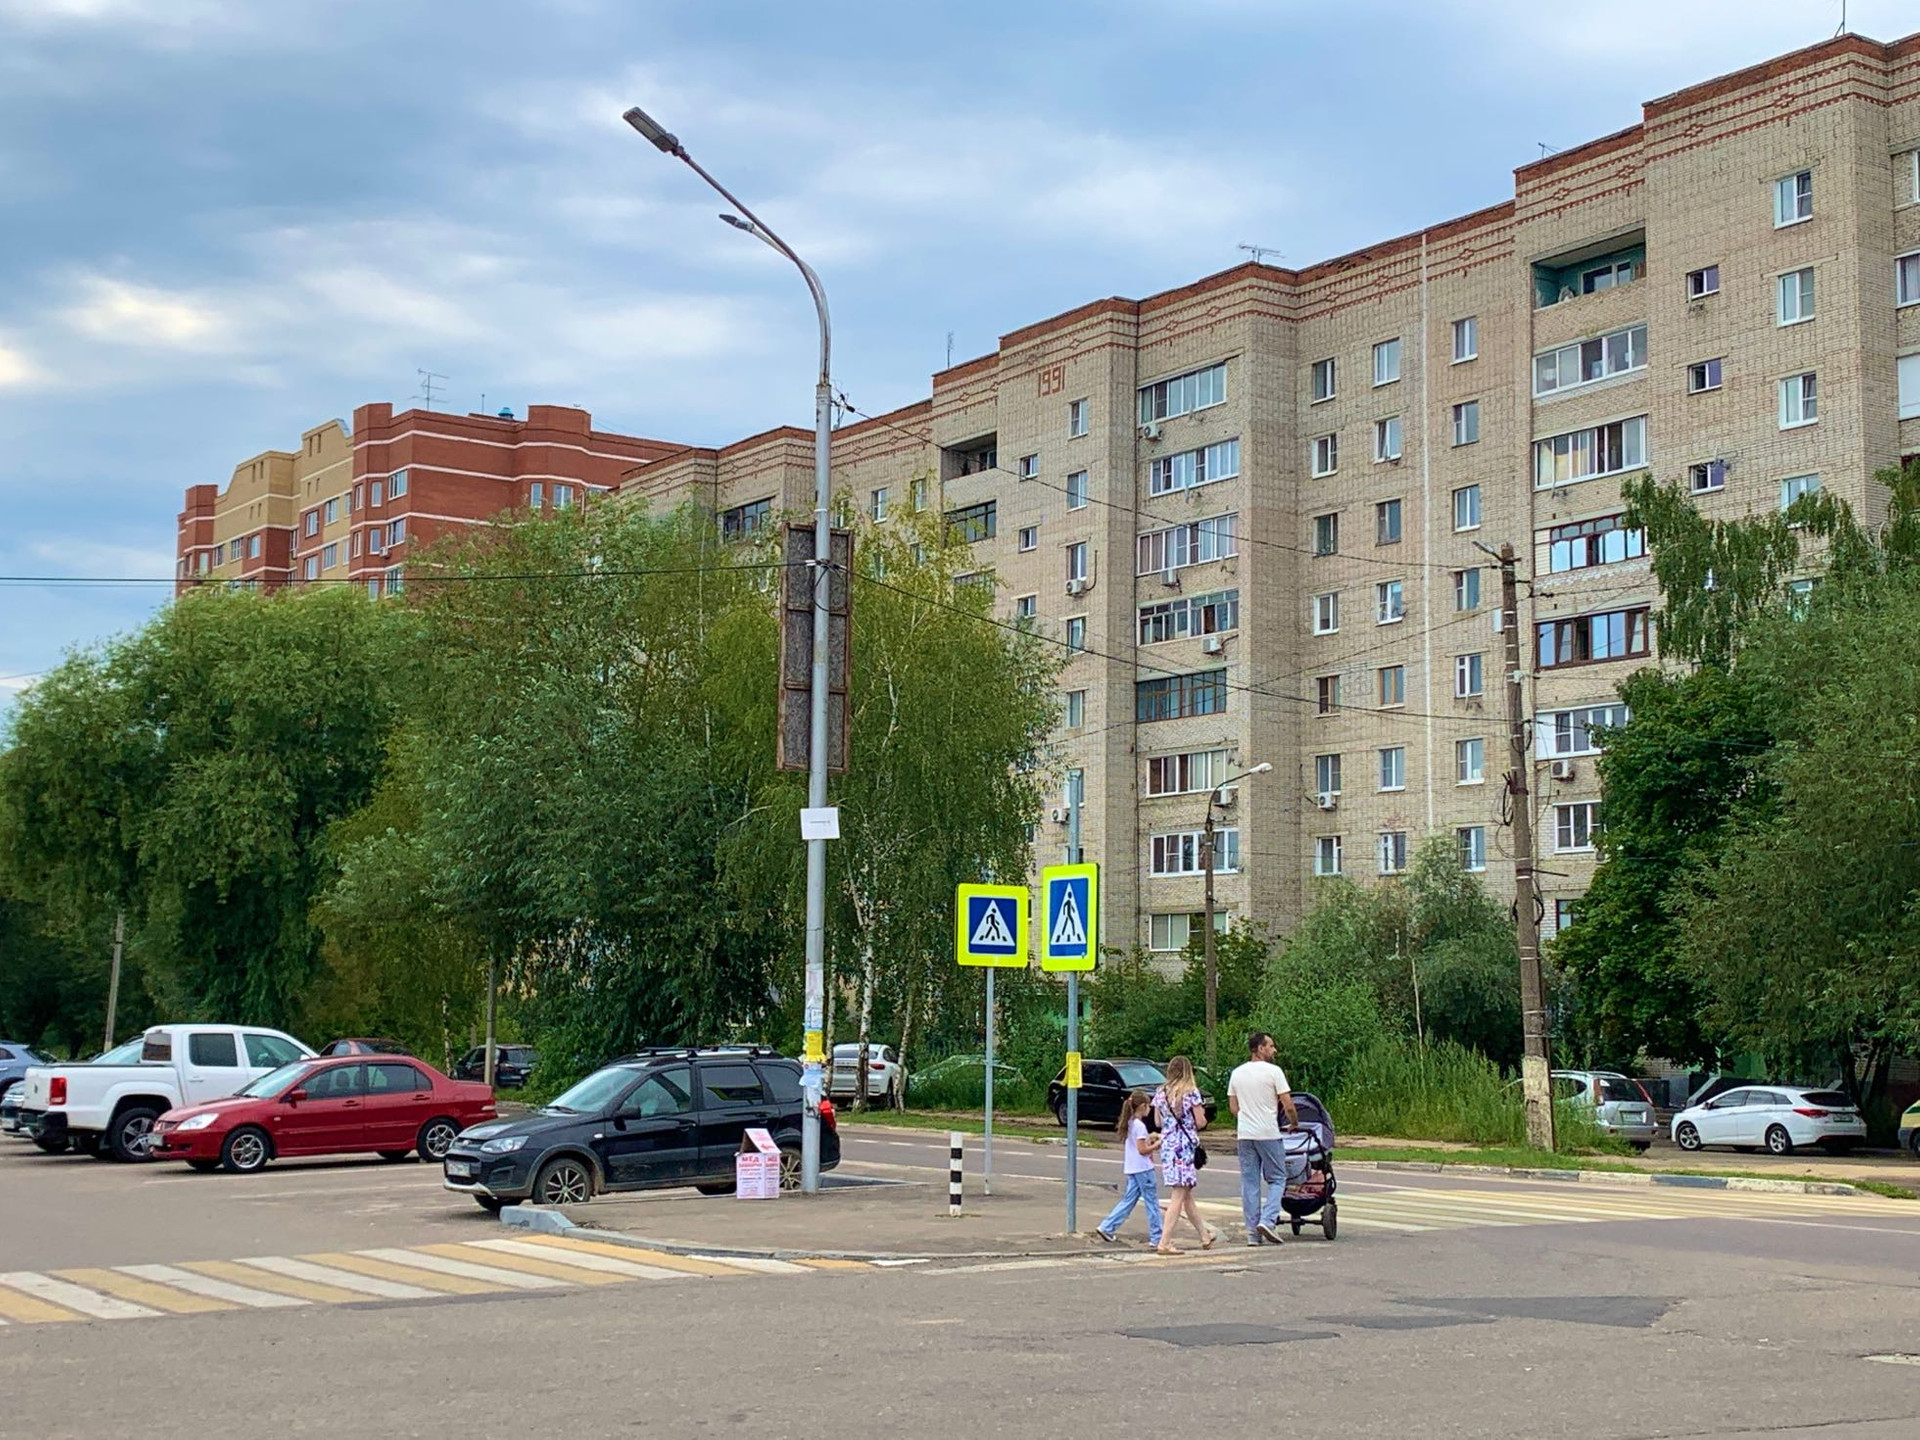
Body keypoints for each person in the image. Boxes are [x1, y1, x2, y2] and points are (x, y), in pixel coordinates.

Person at [1228, 1030, 1299, 1246]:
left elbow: (1233, 1108)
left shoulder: (1237, 1073)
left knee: (1250, 1182)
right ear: (1260, 1048)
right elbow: (1288, 1104)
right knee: (1278, 1177)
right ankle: (1268, 1220)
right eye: (1271, 1046)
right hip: (1268, 1132)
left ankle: (1253, 1234)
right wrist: (1294, 1122)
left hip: (1245, 1134)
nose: (1274, 1050)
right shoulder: (1274, 1072)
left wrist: (1247, 1118)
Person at [1152, 1056, 1219, 1255]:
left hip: (1167, 1145)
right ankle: (1164, 1242)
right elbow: (1201, 1122)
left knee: (1186, 1193)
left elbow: (1157, 1122)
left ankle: (1204, 1235)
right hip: (1184, 1146)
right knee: (1179, 1194)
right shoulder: (1191, 1092)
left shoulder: (1160, 1092)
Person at [1094, 1090, 1162, 1247]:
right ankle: (1157, 1237)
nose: (1150, 1109)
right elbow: (1142, 1150)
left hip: (1132, 1168)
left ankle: (1107, 1227)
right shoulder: (1140, 1126)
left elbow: (1138, 1143)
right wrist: (1158, 1144)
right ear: (1143, 1106)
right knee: (1152, 1202)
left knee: (1129, 1200)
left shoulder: (1129, 1123)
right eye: (1149, 1106)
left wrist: (1150, 1138)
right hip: (1143, 1169)